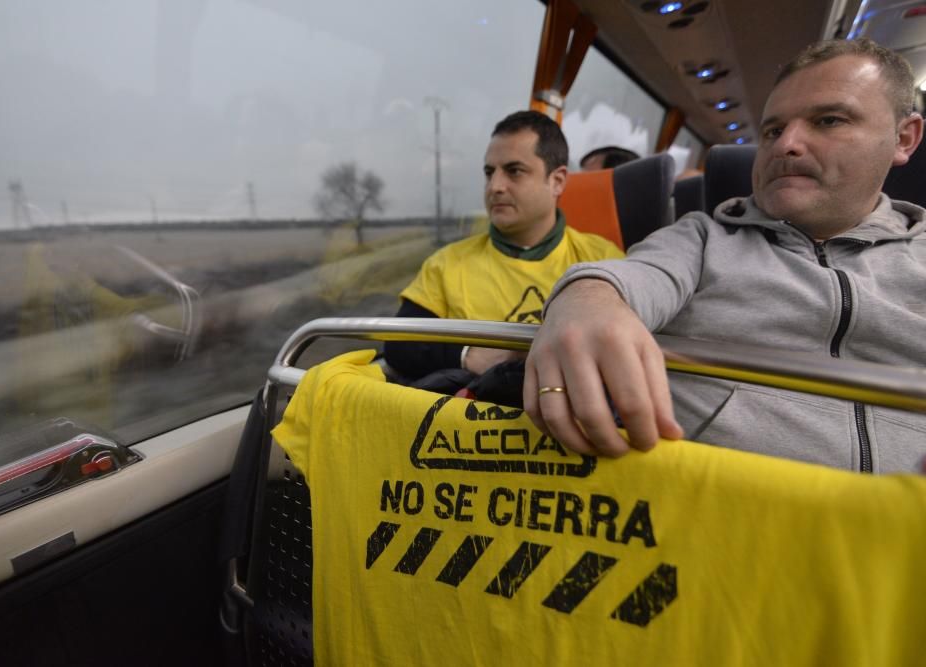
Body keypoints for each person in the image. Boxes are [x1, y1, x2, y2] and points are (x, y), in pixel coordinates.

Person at [524, 38, 926, 473]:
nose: (786, 144)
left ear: (904, 138)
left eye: (828, 120)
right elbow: (630, 278)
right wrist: (584, 299)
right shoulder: (701, 238)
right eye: (772, 130)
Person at [384, 110, 624, 383]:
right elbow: (399, 344)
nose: (495, 186)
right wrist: (466, 355)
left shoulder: (603, 261)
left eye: (514, 171)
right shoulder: (447, 264)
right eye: (489, 173)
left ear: (556, 181)